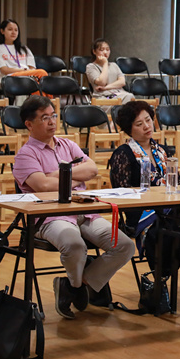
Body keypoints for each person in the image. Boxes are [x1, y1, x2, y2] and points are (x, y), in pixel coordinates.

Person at [13, 95, 134, 319]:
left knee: (125, 245)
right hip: (48, 217)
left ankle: (74, 286)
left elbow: (92, 169)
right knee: (74, 244)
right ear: (29, 124)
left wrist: (57, 174)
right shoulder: (25, 155)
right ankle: (77, 286)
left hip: (83, 211)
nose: (52, 121)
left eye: (53, 116)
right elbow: (43, 186)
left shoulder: (67, 144)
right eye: (45, 118)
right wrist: (73, 177)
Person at [108, 100, 180, 307]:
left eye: (148, 120)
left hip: (170, 207)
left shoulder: (162, 151)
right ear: (129, 129)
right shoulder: (123, 154)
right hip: (143, 213)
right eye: (139, 124)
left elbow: (177, 183)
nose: (147, 126)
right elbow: (121, 194)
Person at [0, 19, 47, 104]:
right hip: (10, 78)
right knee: (42, 73)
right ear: (2, 31)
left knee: (39, 81)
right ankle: (44, 103)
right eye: (10, 29)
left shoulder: (24, 49)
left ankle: (42, 104)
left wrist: (26, 73)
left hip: (27, 77)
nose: (13, 32)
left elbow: (32, 68)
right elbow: (4, 70)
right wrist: (22, 71)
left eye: (16, 30)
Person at [85, 38, 133, 105]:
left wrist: (105, 87)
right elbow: (102, 82)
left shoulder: (114, 65)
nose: (105, 52)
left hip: (118, 94)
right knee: (127, 98)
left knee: (131, 98)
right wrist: (105, 63)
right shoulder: (91, 66)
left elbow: (122, 82)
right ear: (94, 51)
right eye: (101, 50)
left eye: (107, 50)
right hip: (104, 97)